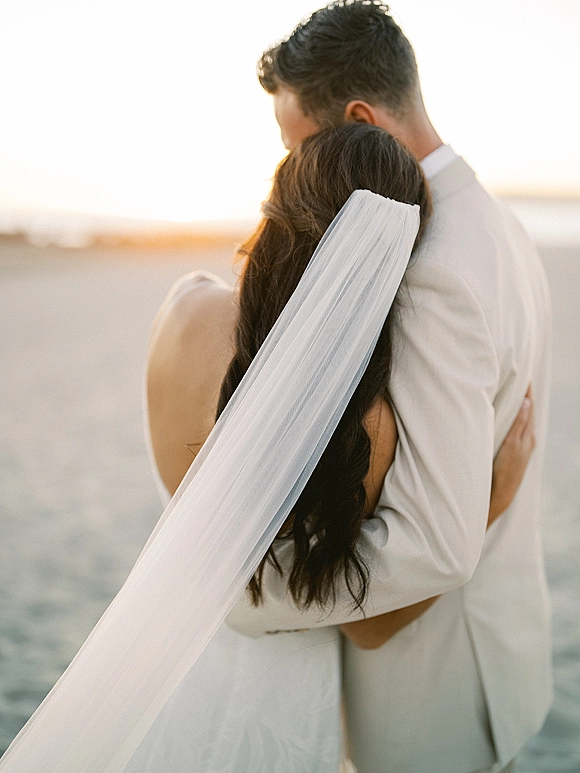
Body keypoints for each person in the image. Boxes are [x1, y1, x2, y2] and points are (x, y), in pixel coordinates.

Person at [138, 124, 534, 773]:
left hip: (165, 666)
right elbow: (368, 623)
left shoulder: (182, 304)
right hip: (276, 703)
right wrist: (488, 503)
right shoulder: (358, 420)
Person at [226, 3, 553, 773]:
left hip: (429, 694)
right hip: (502, 650)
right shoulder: (497, 221)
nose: (288, 168)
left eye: (292, 143)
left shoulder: (429, 264)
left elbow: (435, 542)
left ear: (360, 120)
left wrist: (242, 596)